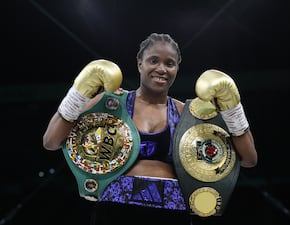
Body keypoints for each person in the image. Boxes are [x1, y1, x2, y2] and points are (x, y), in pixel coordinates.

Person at [42, 33, 257, 224]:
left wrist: (232, 108)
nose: (162, 69)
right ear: (139, 64)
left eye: (169, 63)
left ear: (177, 69)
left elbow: (249, 159)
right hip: (116, 208)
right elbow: (51, 141)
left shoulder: (188, 114)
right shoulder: (111, 105)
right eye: (154, 60)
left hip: (172, 210)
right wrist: (80, 92)